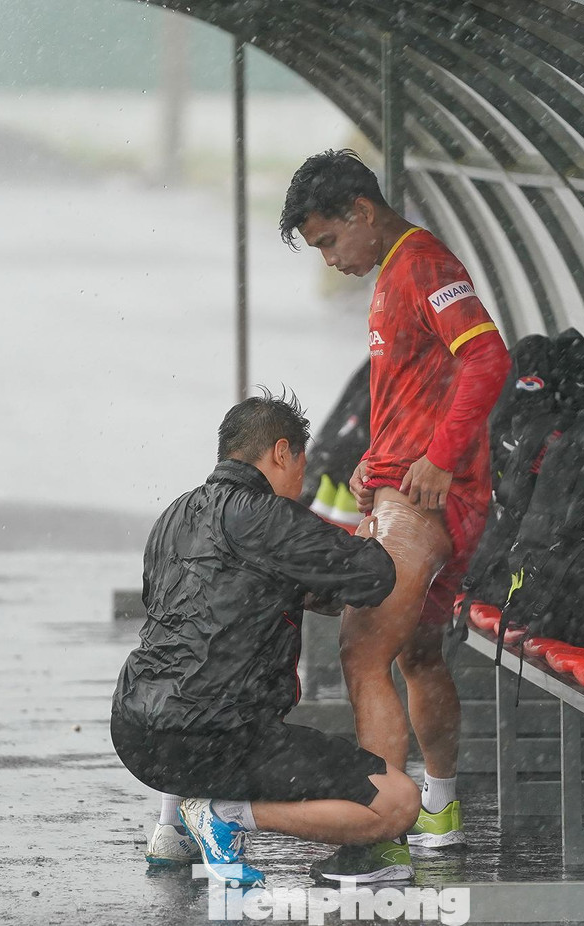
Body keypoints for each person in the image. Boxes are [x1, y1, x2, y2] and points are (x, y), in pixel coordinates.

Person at [279, 150, 512, 877]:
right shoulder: (396, 273)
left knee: (360, 647)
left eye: (327, 241)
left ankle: (376, 838)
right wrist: (380, 454)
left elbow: (488, 358)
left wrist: (439, 458)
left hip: (427, 500)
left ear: (362, 212)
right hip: (403, 485)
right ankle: (438, 809)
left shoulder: (424, 265)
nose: (328, 258)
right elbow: (422, 384)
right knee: (416, 652)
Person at [111, 392, 422, 887]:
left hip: (135, 731)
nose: (301, 478)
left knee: (188, 674)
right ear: (281, 452)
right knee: (398, 803)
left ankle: (174, 827)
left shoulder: (174, 514)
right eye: (301, 462)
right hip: (216, 741)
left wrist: (294, 582)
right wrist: (390, 527)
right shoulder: (270, 517)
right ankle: (226, 813)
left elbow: (191, 612)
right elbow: (374, 575)